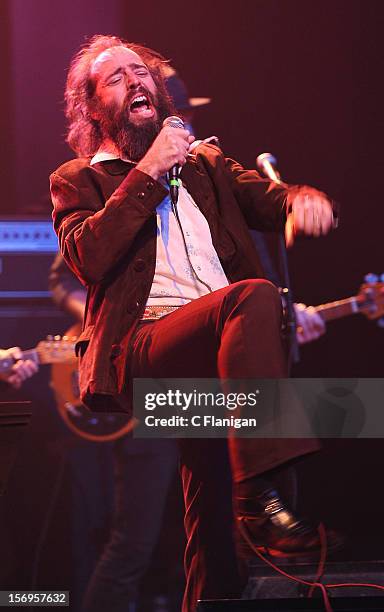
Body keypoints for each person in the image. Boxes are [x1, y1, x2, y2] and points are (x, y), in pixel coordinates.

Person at [50, 35, 338, 611]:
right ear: (93, 108)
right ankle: (260, 491)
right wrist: (149, 171)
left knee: (208, 512)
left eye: (141, 71)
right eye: (116, 78)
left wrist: (298, 200)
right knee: (249, 298)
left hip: (213, 358)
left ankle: (218, 579)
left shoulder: (205, 164)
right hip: (142, 354)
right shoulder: (79, 178)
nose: (136, 80)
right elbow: (89, 257)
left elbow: (265, 197)